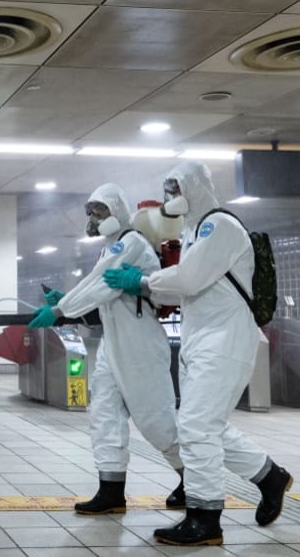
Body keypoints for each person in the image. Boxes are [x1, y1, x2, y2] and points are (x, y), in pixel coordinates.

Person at [104, 162, 293, 546]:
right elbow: (183, 288)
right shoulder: (192, 232)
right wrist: (149, 286)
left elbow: (188, 279)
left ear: (194, 187)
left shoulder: (219, 226)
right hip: (202, 341)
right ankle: (270, 477)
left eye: (175, 188)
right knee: (208, 426)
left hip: (225, 342)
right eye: (167, 188)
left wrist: (141, 280)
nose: (170, 196)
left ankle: (205, 517)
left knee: (195, 426)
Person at [28, 183, 185, 516]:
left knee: (156, 421)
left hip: (140, 346)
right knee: (104, 415)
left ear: (117, 210)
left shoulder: (130, 242)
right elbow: (103, 300)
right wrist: (68, 303)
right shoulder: (110, 248)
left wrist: (61, 310)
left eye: (99, 210)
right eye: (90, 212)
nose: (93, 218)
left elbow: (99, 285)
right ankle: (111, 490)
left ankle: (193, 479)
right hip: (114, 346)